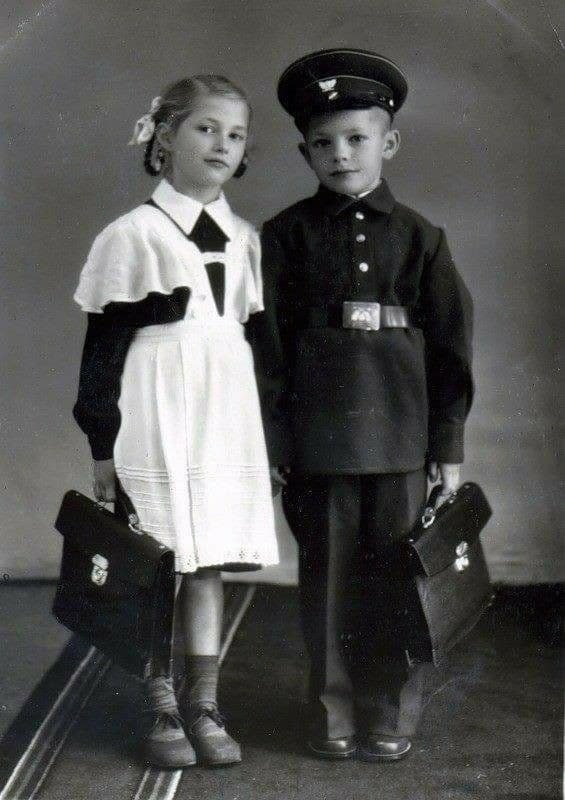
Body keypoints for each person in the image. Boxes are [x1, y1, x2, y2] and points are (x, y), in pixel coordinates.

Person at [259, 48, 474, 762]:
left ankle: (388, 710)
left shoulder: (420, 237)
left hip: (399, 440)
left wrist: (444, 449)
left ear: (389, 142)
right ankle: (331, 712)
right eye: (322, 142)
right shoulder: (284, 237)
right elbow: (266, 350)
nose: (339, 154)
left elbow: (450, 348)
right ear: (303, 151)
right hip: (318, 444)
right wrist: (274, 445)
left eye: (355, 138)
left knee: (395, 581)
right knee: (325, 584)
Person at [73, 75, 279, 769]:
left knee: (209, 559)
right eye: (205, 128)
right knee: (157, 558)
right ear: (163, 138)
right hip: (154, 409)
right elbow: (101, 354)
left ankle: (203, 701)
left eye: (236, 132)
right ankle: (159, 700)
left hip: (223, 412)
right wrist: (103, 445)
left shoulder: (246, 239)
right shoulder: (130, 236)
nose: (222, 142)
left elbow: (255, 344)